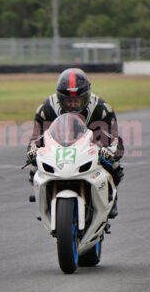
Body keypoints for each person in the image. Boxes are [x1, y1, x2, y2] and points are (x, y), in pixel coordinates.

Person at [27, 68, 124, 218]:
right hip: (57, 149)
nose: (72, 104)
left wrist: (109, 151)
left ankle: (111, 197)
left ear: (85, 97)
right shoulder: (46, 109)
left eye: (77, 100)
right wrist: (33, 151)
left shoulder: (102, 109)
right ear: (60, 98)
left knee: (115, 165)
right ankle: (44, 199)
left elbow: (115, 139)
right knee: (34, 166)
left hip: (92, 148)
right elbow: (35, 138)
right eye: (68, 100)